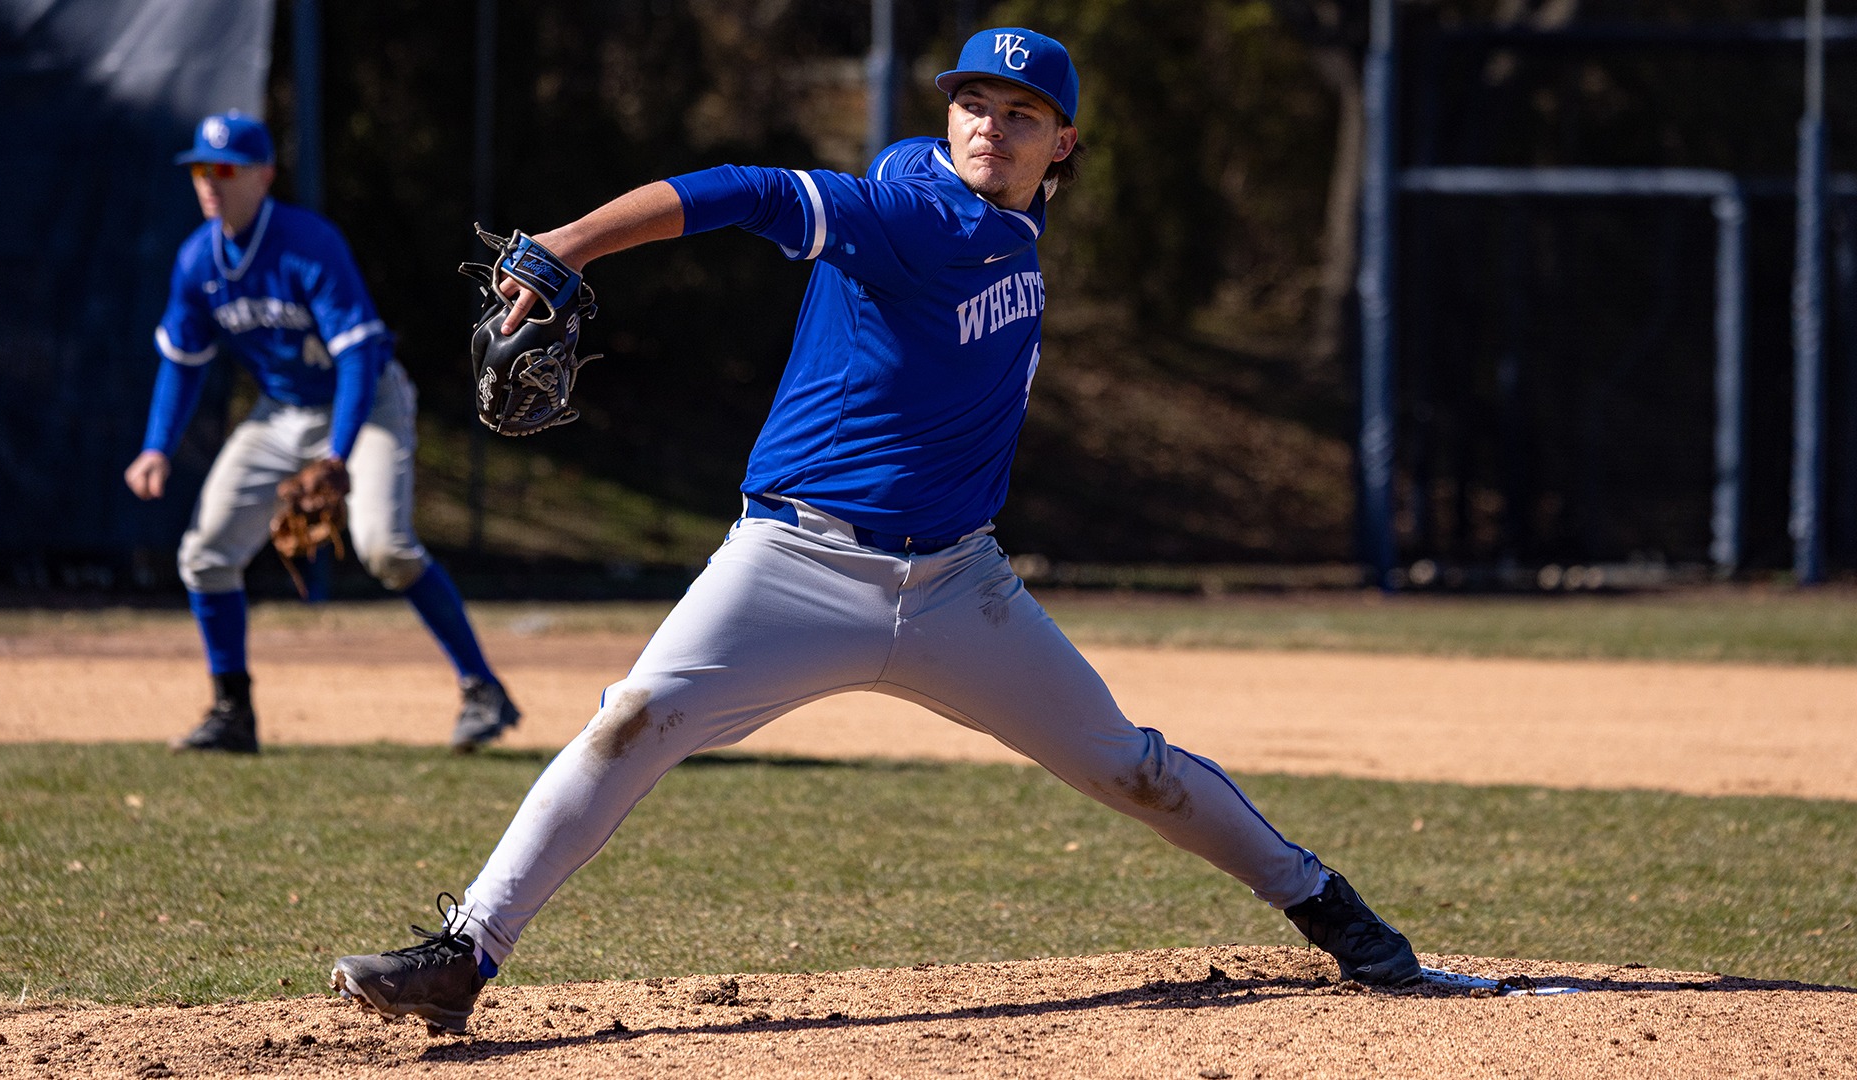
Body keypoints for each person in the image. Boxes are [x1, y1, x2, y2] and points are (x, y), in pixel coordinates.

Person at [330, 28, 1420, 1035]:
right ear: (948, 119)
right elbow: (750, 192)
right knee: (634, 722)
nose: (991, 124)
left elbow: (917, 188)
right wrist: (572, 243)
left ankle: (1327, 906)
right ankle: (463, 955)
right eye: (974, 103)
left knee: (1128, 768)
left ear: (1065, 144)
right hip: (793, 563)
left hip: (959, 587)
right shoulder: (913, 211)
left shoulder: (1001, 214)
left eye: (1022, 112)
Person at [124, 112, 521, 755]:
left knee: (386, 548)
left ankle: (483, 688)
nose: (208, 182)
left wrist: (338, 455)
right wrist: (155, 447)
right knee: (204, 554)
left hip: (364, 405)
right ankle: (233, 712)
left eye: (223, 168)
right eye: (200, 169)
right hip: (281, 412)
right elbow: (182, 361)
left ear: (263, 176)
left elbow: (359, 357)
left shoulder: (308, 243)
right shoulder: (197, 260)